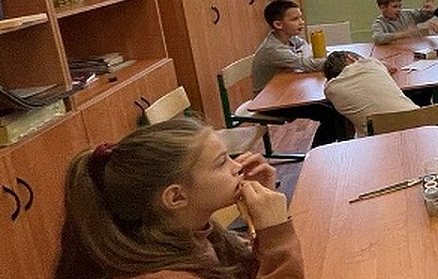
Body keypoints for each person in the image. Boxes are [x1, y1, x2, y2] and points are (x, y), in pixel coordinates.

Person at [56, 119, 302, 278]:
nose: (237, 167)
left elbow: (247, 271)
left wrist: (261, 224)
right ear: (176, 197)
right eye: (221, 163)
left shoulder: (195, 232)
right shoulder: (165, 275)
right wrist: (276, 235)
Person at [251, 0, 345, 147]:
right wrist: (336, 62)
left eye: (300, 17)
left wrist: (306, 58)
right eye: (295, 19)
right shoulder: (273, 49)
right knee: (330, 114)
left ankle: (339, 146)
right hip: (269, 103)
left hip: (284, 93)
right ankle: (316, 153)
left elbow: (304, 47)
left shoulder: (290, 39)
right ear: (278, 25)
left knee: (337, 104)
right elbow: (306, 64)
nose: (301, 22)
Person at [323, 51, 420, 138]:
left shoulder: (331, 89)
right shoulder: (371, 63)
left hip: (378, 138)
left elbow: (327, 85)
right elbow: (391, 67)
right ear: (350, 58)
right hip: (420, 122)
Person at [371, 0, 436, 45]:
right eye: (395, 6)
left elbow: (428, 14)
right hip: (393, 50)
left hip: (410, 49)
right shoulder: (379, 22)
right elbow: (378, 38)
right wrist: (406, 34)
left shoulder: (407, 14)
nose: (398, 9)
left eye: (400, 6)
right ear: (382, 8)